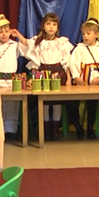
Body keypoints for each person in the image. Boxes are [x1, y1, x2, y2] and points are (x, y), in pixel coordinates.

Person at [20, 12, 73, 140]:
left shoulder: (61, 43)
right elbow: (34, 62)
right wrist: (34, 78)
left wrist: (69, 79)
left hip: (58, 75)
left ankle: (55, 129)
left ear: (57, 27)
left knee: (56, 102)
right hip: (42, 74)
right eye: (48, 24)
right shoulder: (38, 42)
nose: (51, 27)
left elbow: (66, 62)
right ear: (43, 26)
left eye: (54, 24)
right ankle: (45, 129)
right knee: (44, 102)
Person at [67, 17, 99, 139]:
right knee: (72, 103)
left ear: (96, 34)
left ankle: (90, 128)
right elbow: (73, 63)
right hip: (80, 83)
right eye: (83, 34)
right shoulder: (79, 48)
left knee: (92, 103)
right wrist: (76, 77)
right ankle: (78, 127)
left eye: (88, 33)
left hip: (95, 84)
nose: (85, 36)